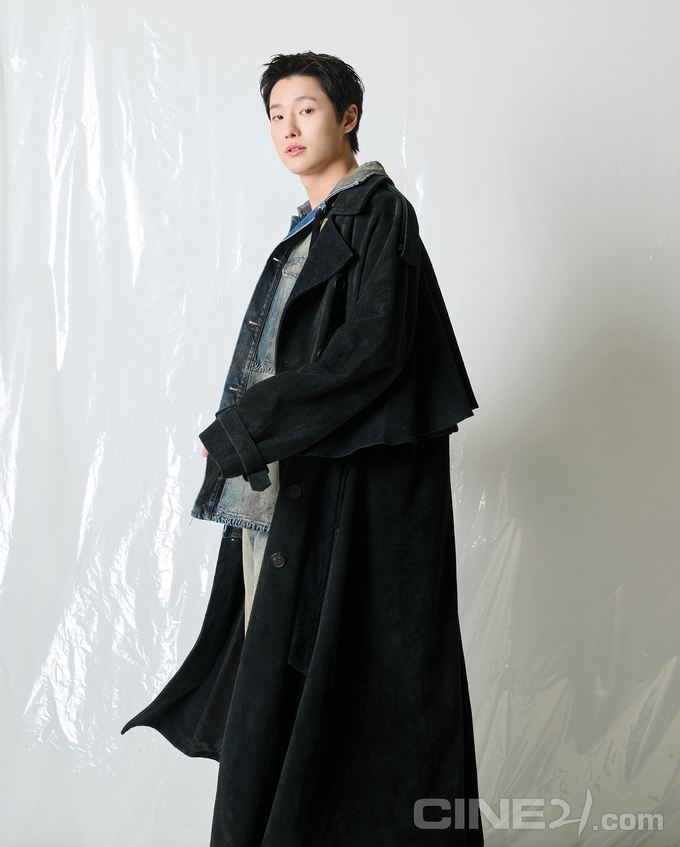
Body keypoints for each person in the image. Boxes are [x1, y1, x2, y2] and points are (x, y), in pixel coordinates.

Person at [122, 51, 483, 846]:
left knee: (349, 695)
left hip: (344, 502)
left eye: (307, 109)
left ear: (348, 117)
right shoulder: (309, 229)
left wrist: (245, 429)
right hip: (283, 495)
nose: (288, 127)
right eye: (276, 115)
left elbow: (371, 351)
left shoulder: (378, 214)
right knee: (274, 691)